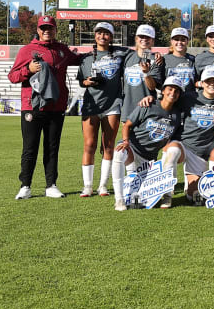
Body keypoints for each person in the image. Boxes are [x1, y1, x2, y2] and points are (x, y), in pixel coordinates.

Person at [9, 16, 84, 199]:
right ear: (38, 29)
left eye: (49, 27)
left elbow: (78, 59)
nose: (46, 31)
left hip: (56, 107)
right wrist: (28, 69)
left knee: (52, 148)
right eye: (43, 28)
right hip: (32, 107)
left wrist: (99, 51)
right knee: (30, 148)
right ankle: (25, 186)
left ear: (55, 29)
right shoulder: (27, 50)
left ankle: (51, 185)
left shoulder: (62, 50)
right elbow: (13, 76)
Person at [111, 76, 185, 211]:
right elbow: (127, 125)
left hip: (149, 159)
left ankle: (167, 195)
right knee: (118, 153)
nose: (172, 93)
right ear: (163, 91)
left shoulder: (177, 115)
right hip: (132, 147)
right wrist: (126, 142)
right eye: (170, 89)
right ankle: (119, 200)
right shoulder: (148, 105)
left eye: (176, 91)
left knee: (141, 196)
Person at [77, 22, 130, 197]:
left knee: (109, 146)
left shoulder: (121, 54)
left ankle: (103, 185)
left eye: (106, 33)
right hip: (91, 105)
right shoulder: (85, 58)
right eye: (99, 33)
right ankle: (87, 186)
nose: (102, 36)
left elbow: (137, 52)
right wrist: (87, 82)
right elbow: (81, 80)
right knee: (89, 145)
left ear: (112, 36)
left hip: (112, 105)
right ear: (94, 36)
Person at [176, 68, 214, 204]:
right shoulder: (189, 97)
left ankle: (190, 184)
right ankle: (166, 193)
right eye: (208, 81)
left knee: (195, 197)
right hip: (184, 145)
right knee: (172, 151)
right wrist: (150, 97)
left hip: (201, 152)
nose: (211, 84)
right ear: (202, 83)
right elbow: (167, 103)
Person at [121, 24, 165, 123]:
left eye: (148, 37)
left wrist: (146, 73)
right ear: (136, 39)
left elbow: (152, 87)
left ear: (152, 41)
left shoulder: (156, 60)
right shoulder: (127, 56)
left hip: (147, 108)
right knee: (127, 138)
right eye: (141, 36)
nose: (144, 39)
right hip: (128, 109)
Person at [163, 27, 196, 94]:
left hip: (190, 101)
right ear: (171, 41)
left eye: (183, 40)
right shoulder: (164, 59)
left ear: (187, 41)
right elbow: (158, 84)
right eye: (176, 39)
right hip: (172, 100)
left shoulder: (193, 60)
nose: (179, 42)